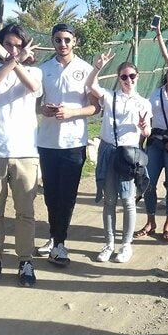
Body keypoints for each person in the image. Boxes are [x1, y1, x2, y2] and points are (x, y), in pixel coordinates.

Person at [0, 24, 42, 288]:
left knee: (25, 212)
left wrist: (15, 62)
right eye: (9, 44)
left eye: (18, 45)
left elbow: (33, 86)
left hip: (25, 151)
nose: (14, 49)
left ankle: (26, 261)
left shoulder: (33, 71)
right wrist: (11, 60)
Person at [36, 23, 99, 266]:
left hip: (74, 142)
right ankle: (54, 237)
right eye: (58, 40)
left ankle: (60, 243)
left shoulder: (86, 70)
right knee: (51, 194)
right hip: (48, 142)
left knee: (68, 195)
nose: (62, 44)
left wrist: (72, 113)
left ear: (75, 41)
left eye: (67, 40)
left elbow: (95, 106)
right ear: (52, 42)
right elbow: (35, 104)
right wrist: (45, 110)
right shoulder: (43, 70)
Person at [87, 55, 151, 264]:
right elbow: (90, 84)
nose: (128, 80)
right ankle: (109, 244)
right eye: (124, 76)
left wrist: (144, 128)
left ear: (137, 77)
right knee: (109, 200)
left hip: (128, 155)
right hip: (108, 151)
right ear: (119, 78)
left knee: (128, 200)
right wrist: (97, 67)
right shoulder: (110, 96)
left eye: (132, 76)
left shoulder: (143, 103)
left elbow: (148, 131)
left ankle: (126, 245)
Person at [134, 60, 168, 242]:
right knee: (148, 182)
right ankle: (150, 222)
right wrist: (140, 143)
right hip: (154, 143)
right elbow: (147, 120)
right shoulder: (156, 92)